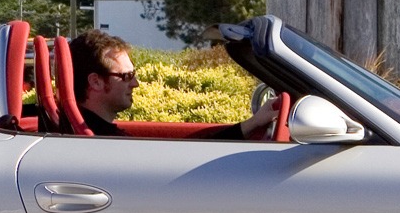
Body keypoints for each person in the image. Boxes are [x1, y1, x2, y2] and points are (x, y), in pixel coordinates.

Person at [70, 29, 278, 139]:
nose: (136, 83)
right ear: (95, 82)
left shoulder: (91, 134)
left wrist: (252, 124)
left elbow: (180, 152)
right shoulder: (104, 142)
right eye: (126, 76)